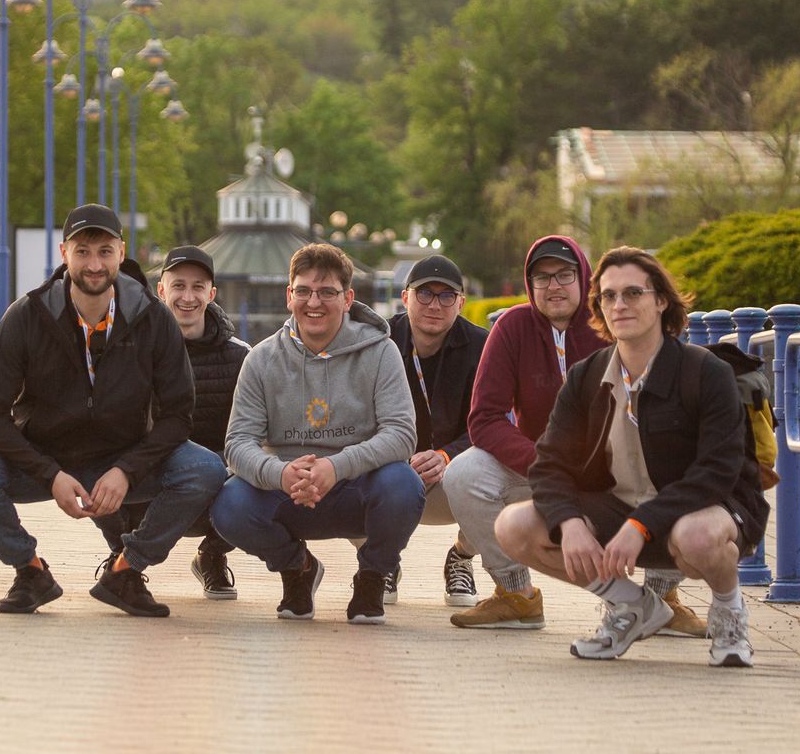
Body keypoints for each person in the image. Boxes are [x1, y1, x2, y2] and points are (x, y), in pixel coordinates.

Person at [0, 204, 224, 618]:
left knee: (205, 469)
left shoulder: (153, 317)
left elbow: (178, 416)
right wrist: (49, 474)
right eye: (83, 251)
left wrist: (127, 470)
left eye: (105, 251)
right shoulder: (26, 315)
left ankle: (126, 571)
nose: (94, 264)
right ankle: (30, 571)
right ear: (64, 253)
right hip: (43, 457)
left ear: (121, 252)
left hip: (121, 455)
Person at [494, 246, 768, 667]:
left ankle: (729, 611)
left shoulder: (705, 372)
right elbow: (549, 464)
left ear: (661, 301)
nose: (619, 304)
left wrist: (642, 524)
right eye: (609, 296)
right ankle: (632, 606)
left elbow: (717, 471)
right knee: (514, 526)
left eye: (633, 293)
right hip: (621, 511)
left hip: (700, 510)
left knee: (696, 537)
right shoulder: (587, 376)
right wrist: (569, 522)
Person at [445, 236, 705, 635]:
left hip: (618, 469)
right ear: (530, 284)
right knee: (464, 474)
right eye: (542, 277)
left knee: (682, 466)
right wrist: (544, 465)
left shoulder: (615, 321)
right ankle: (516, 596)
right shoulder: (513, 327)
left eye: (564, 274)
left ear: (584, 278)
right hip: (539, 465)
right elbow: (485, 418)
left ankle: (661, 599)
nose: (553, 286)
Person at [211, 243, 421, 625]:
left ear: (348, 299)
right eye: (304, 291)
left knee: (403, 484)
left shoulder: (380, 351)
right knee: (229, 504)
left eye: (327, 292)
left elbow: (402, 433)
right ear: (289, 296)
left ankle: (373, 577)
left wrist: (336, 467)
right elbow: (237, 443)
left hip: (355, 486)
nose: (314, 302)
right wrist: (280, 473)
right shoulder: (261, 359)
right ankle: (298, 568)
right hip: (289, 488)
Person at [95, 246, 248, 599]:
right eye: (178, 286)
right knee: (92, 461)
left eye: (198, 287)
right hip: (148, 475)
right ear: (161, 291)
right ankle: (122, 555)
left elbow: (251, 437)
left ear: (212, 294)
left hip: (216, 484)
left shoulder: (241, 357)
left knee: (257, 477)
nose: (188, 297)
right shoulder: (130, 351)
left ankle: (212, 554)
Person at [383, 254, 487, 607]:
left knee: (512, 473)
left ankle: (462, 555)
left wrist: (447, 456)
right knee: (343, 466)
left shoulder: (484, 347)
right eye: (425, 293)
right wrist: (396, 458)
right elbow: (357, 420)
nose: (435, 304)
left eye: (446, 295)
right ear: (405, 297)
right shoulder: (378, 342)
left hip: (453, 478)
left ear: (461, 302)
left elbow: (492, 423)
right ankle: (380, 559)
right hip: (390, 473)